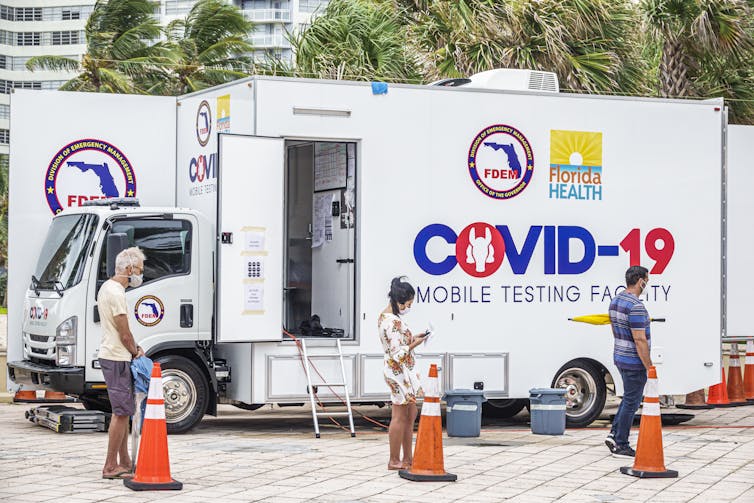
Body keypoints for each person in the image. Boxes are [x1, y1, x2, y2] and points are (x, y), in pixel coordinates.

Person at [98, 247, 146, 479]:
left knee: (124, 411)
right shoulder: (116, 293)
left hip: (113, 354)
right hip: (116, 356)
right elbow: (124, 333)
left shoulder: (107, 287)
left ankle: (124, 461)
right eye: (139, 270)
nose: (140, 275)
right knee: (121, 412)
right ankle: (110, 466)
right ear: (128, 269)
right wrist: (136, 350)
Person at [378, 276, 429, 470]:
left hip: (403, 372)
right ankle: (394, 459)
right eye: (408, 303)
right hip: (398, 372)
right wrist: (416, 343)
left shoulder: (389, 318)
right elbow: (397, 353)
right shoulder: (391, 322)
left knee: (410, 413)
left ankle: (408, 458)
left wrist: (413, 338)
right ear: (400, 302)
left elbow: (399, 344)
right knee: (400, 415)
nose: (409, 307)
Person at [606, 265, 652, 458]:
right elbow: (640, 339)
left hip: (620, 356)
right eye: (647, 281)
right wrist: (649, 366)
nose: (647, 284)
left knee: (627, 399)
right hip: (634, 361)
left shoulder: (615, 301)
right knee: (632, 402)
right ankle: (621, 444)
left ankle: (613, 434)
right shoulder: (636, 306)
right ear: (640, 281)